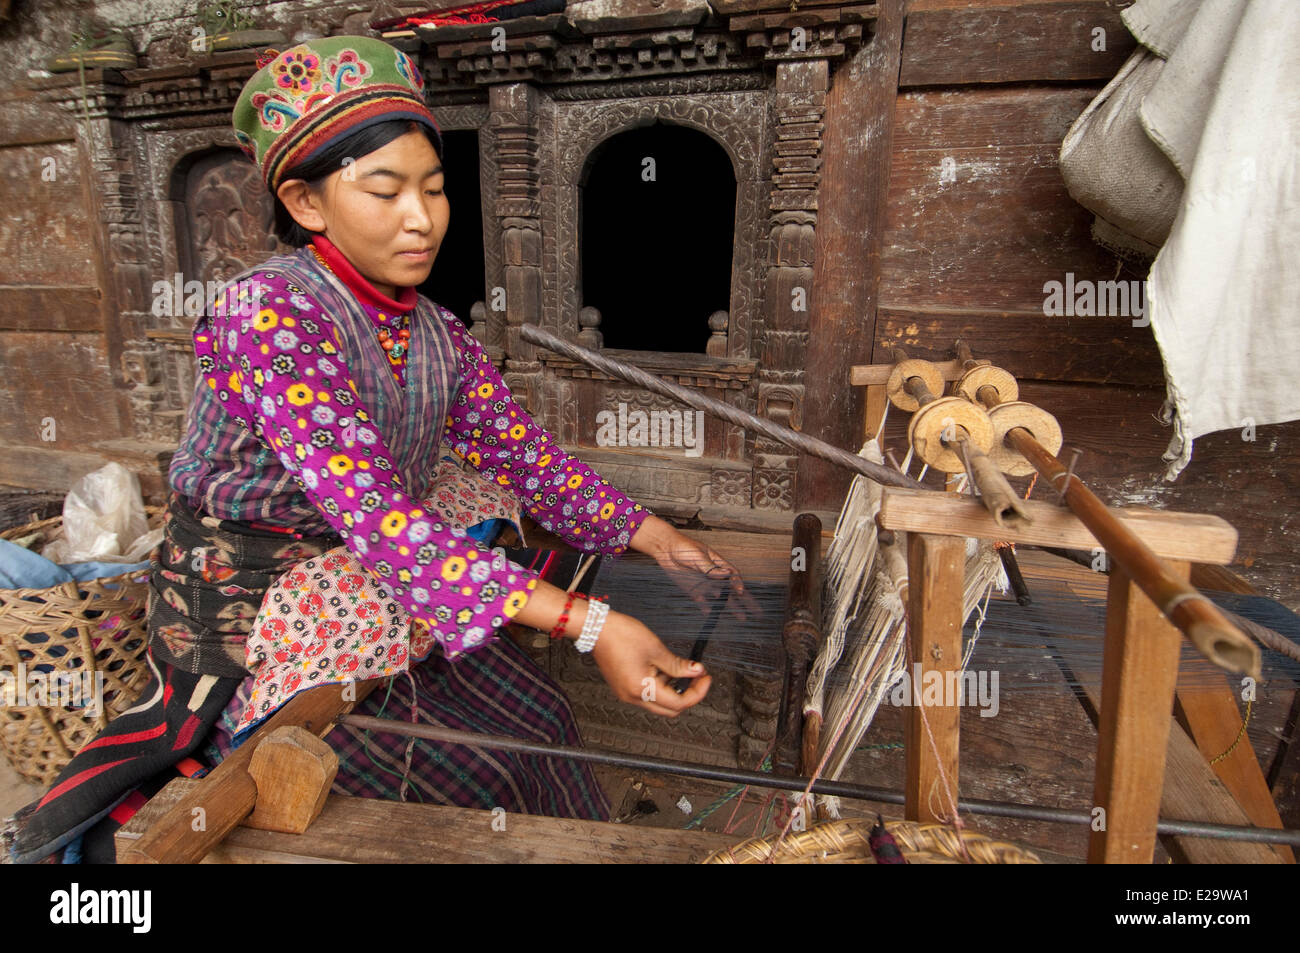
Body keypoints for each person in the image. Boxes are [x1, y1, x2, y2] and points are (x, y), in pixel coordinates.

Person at [6, 35, 744, 864]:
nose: (422, 217)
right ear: (307, 201)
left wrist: (649, 534)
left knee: (535, 723)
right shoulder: (267, 314)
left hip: (363, 574)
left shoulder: (433, 330)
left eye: (434, 188)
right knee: (334, 788)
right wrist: (590, 622)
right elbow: (385, 519)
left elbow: (521, 453)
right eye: (385, 190)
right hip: (254, 603)